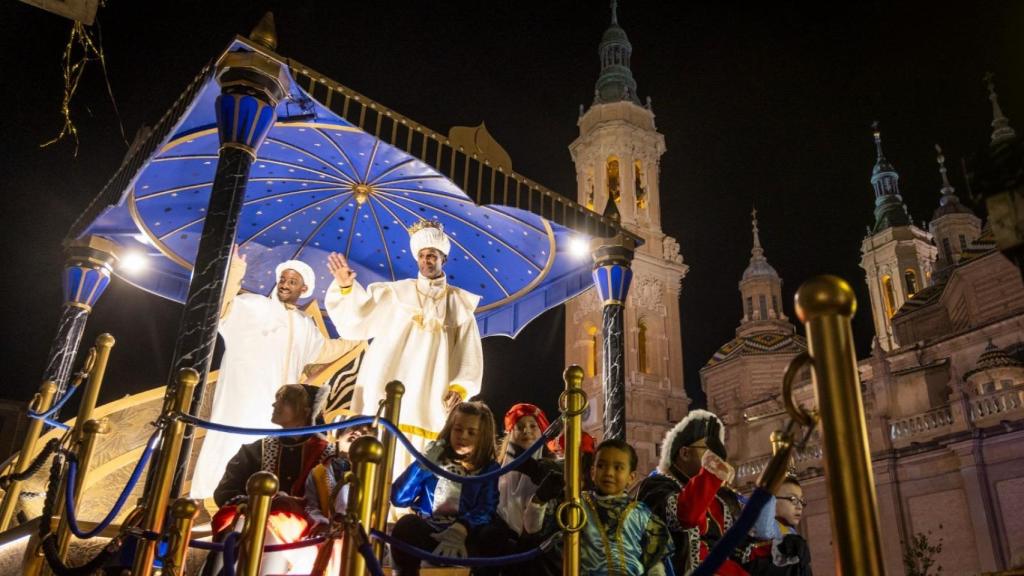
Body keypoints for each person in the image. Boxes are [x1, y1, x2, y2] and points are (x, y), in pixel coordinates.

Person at [191, 248, 358, 498]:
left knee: (269, 466)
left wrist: (362, 334)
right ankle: (214, 502)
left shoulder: (305, 325)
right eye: (282, 280)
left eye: (293, 282)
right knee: (229, 450)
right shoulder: (251, 306)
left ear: (304, 289)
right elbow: (219, 307)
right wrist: (235, 271)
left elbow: (326, 349)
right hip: (242, 400)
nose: (285, 285)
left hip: (281, 411)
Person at [324, 220, 484, 469]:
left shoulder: (458, 302)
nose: (426, 260)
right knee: (378, 447)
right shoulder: (395, 293)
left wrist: (461, 386)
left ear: (443, 260)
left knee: (418, 455)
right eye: (422, 256)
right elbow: (358, 320)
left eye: (432, 255)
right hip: (387, 381)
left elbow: (469, 351)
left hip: (431, 387)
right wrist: (346, 287)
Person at [203, 384, 333, 576]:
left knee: (275, 524)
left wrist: (295, 505)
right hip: (249, 517)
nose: (275, 404)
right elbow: (226, 491)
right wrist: (257, 504)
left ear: (306, 411)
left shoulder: (327, 455)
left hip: (302, 530)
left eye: (285, 400)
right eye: (277, 399)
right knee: (240, 523)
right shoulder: (254, 450)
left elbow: (331, 502)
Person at [636, 410, 773, 576]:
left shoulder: (723, 496)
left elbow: (739, 546)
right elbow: (685, 515)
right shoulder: (656, 487)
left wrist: (777, 549)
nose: (716, 457)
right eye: (708, 450)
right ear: (685, 453)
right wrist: (711, 474)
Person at [388, 401, 500, 576]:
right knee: (406, 525)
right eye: (458, 429)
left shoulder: (489, 467)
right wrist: (421, 466)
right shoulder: (434, 456)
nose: (462, 436)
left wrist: (461, 528)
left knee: (494, 534)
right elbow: (398, 498)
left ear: (482, 437)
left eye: (471, 432)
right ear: (450, 428)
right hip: (430, 533)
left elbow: (486, 507)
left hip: (465, 538)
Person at [475, 403, 562, 576]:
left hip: (538, 547)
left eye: (533, 426)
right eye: (520, 427)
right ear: (511, 433)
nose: (526, 431)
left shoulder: (554, 466)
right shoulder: (496, 469)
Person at [577, 439, 673, 576]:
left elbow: (655, 564)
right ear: (592, 472)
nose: (609, 473)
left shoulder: (640, 513)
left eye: (618, 468)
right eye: (601, 466)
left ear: (631, 477)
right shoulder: (579, 505)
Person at [746, 476, 813, 575]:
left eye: (801, 501)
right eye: (793, 499)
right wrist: (770, 491)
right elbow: (764, 531)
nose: (799, 507)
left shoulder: (791, 532)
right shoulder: (763, 526)